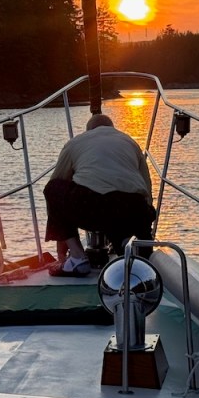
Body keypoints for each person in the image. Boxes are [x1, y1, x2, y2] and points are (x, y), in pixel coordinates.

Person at [43, 113, 156, 277]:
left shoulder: (76, 142)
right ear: (112, 128)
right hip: (132, 209)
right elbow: (146, 189)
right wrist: (144, 225)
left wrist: (62, 244)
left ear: (88, 130)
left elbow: (56, 186)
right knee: (117, 208)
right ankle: (125, 245)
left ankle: (77, 257)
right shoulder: (130, 142)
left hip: (92, 208)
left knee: (52, 188)